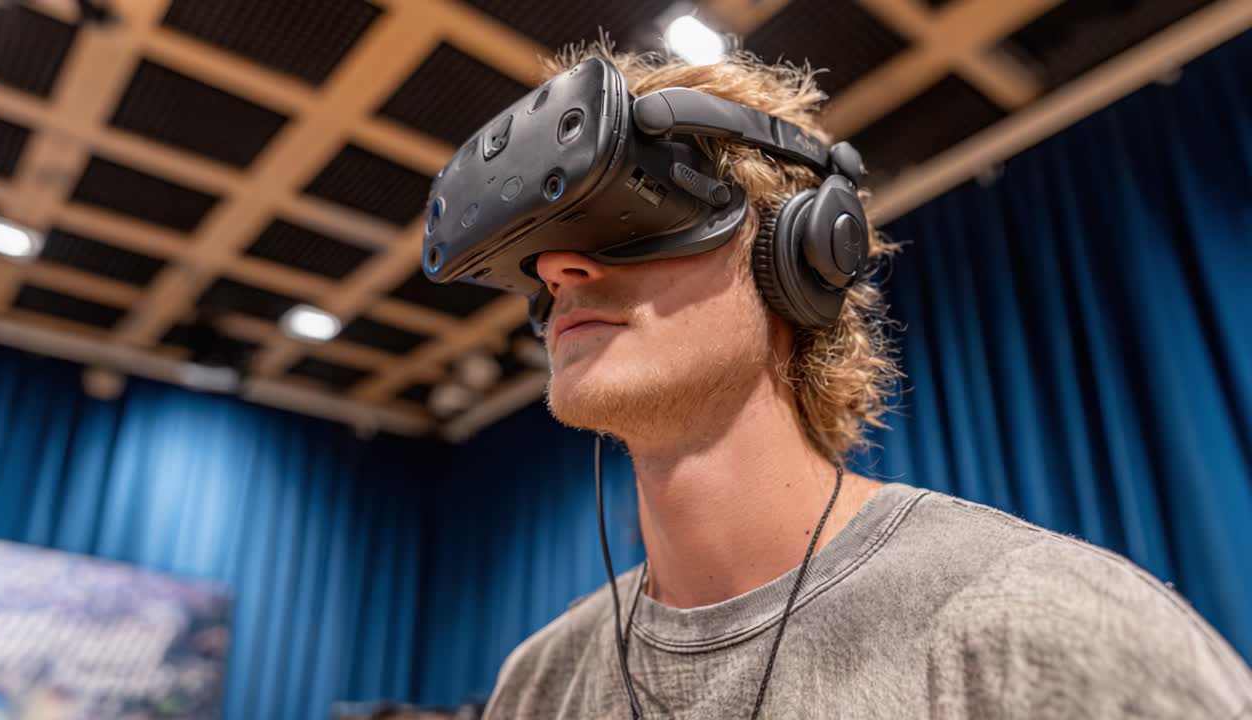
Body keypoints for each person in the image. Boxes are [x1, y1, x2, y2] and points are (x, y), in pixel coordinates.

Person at [481, 45, 1252, 719]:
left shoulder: (1040, 628)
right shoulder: (537, 682)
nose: (558, 269)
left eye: (633, 213)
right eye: (545, 247)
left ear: (801, 256)